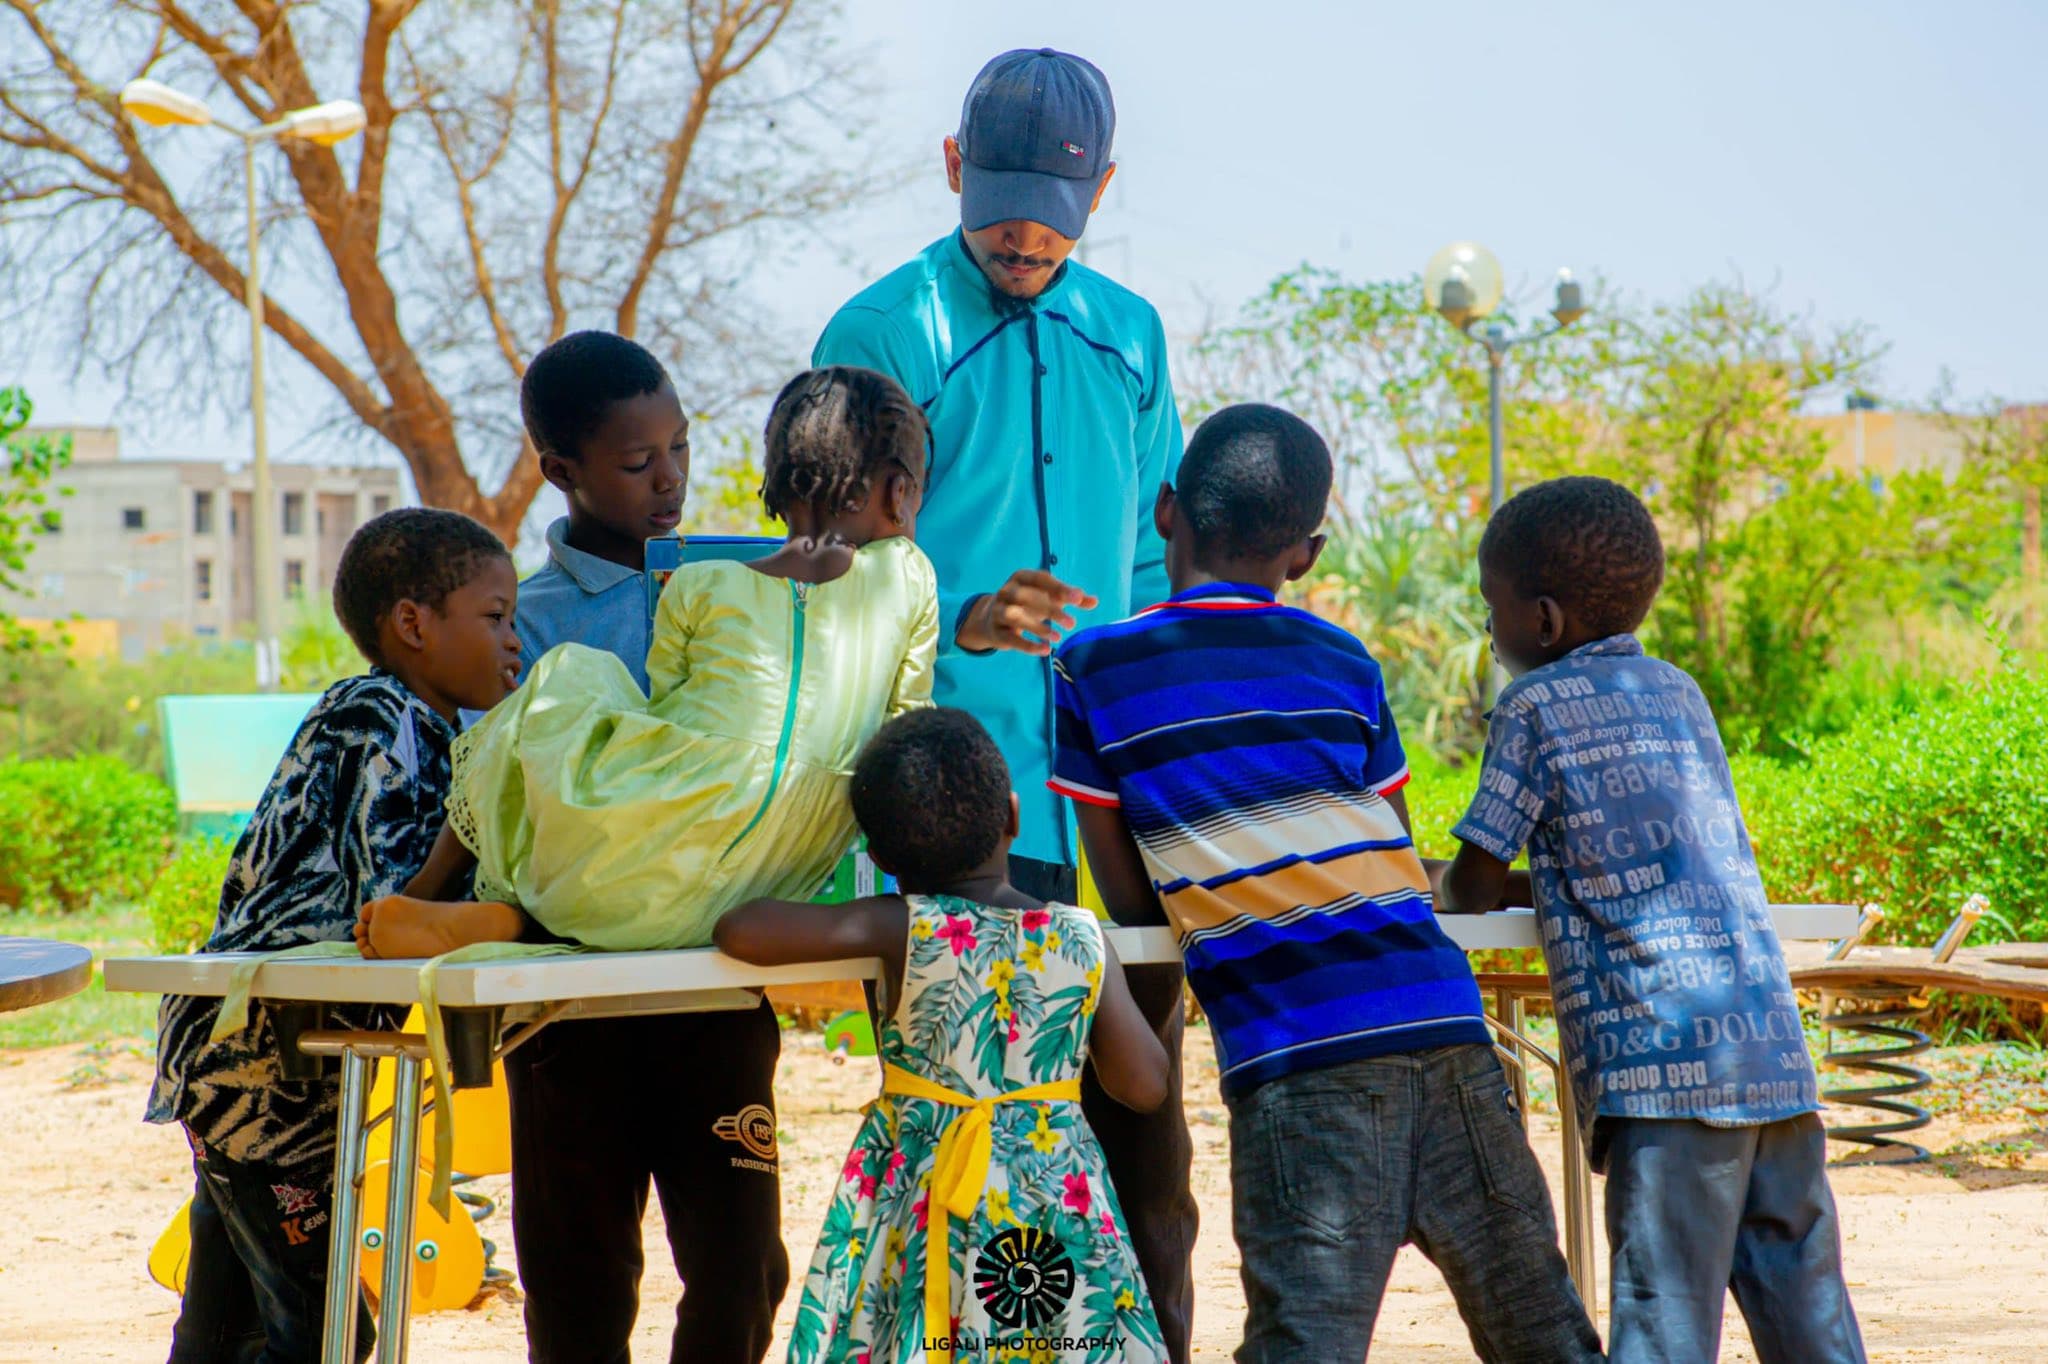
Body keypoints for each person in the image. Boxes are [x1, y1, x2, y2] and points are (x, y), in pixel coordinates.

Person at [1049, 405, 1603, 1363]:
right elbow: (1387, 844)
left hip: (1298, 1058)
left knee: (1304, 1343)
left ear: (1167, 512)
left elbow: (1131, 898)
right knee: (1541, 1330)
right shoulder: (1344, 661)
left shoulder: (1093, 666)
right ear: (1304, 556)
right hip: (1447, 1030)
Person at [811, 47, 1197, 1358]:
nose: (1027, 235)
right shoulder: (882, 332)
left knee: (1151, 1142)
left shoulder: (1132, 334)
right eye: (1002, 200)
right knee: (980, 1152)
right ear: (952, 168)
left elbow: (1153, 557)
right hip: (963, 813)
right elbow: (839, 564)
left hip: (1114, 806)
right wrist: (967, 613)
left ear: (1103, 190)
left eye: (1058, 207)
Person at [1436, 475, 1865, 1364]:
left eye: (1493, 609)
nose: (1491, 631)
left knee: (1663, 1324)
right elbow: (1627, 860)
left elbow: (1471, 888)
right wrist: (1543, 887)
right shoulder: (1679, 691)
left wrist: (1420, 875)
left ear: (1544, 621)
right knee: (1807, 1315)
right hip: (1770, 1058)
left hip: (1661, 1072)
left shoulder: (1533, 705)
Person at [358, 363, 938, 957]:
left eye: (682, 447)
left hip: (635, 859)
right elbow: (909, 727)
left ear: (778, 484)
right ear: (899, 494)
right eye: (641, 463)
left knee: (570, 673)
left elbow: (663, 712)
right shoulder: (910, 577)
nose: (671, 478)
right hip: (779, 873)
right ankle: (502, 919)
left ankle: (435, 895)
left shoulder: (700, 585)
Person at [146, 508, 520, 1363]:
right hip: (262, 1070)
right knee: (327, 1336)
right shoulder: (383, 720)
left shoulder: (412, 724)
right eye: (495, 617)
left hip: (245, 1054)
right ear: (414, 624)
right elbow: (388, 913)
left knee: (225, 1324)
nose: (514, 641)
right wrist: (476, 845)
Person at [716, 707, 1171, 1364]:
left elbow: (741, 930)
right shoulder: (1081, 936)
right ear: (1013, 817)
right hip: (1051, 1197)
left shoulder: (900, 926)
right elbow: (1143, 1084)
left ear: (878, 856)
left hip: (918, 1192)